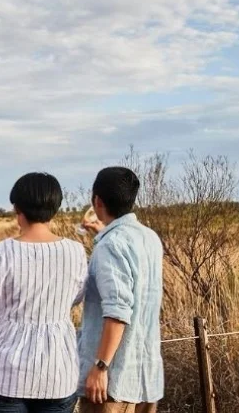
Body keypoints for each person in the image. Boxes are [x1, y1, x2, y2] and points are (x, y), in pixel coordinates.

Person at [0, 172, 89, 413]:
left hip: (6, 375)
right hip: (58, 373)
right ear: (55, 208)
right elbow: (76, 296)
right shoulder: (76, 252)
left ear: (17, 208)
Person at [78, 167, 164, 413]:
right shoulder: (150, 237)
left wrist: (100, 366)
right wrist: (102, 232)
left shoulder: (111, 245)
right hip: (145, 377)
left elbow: (117, 311)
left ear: (97, 201)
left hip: (113, 381)